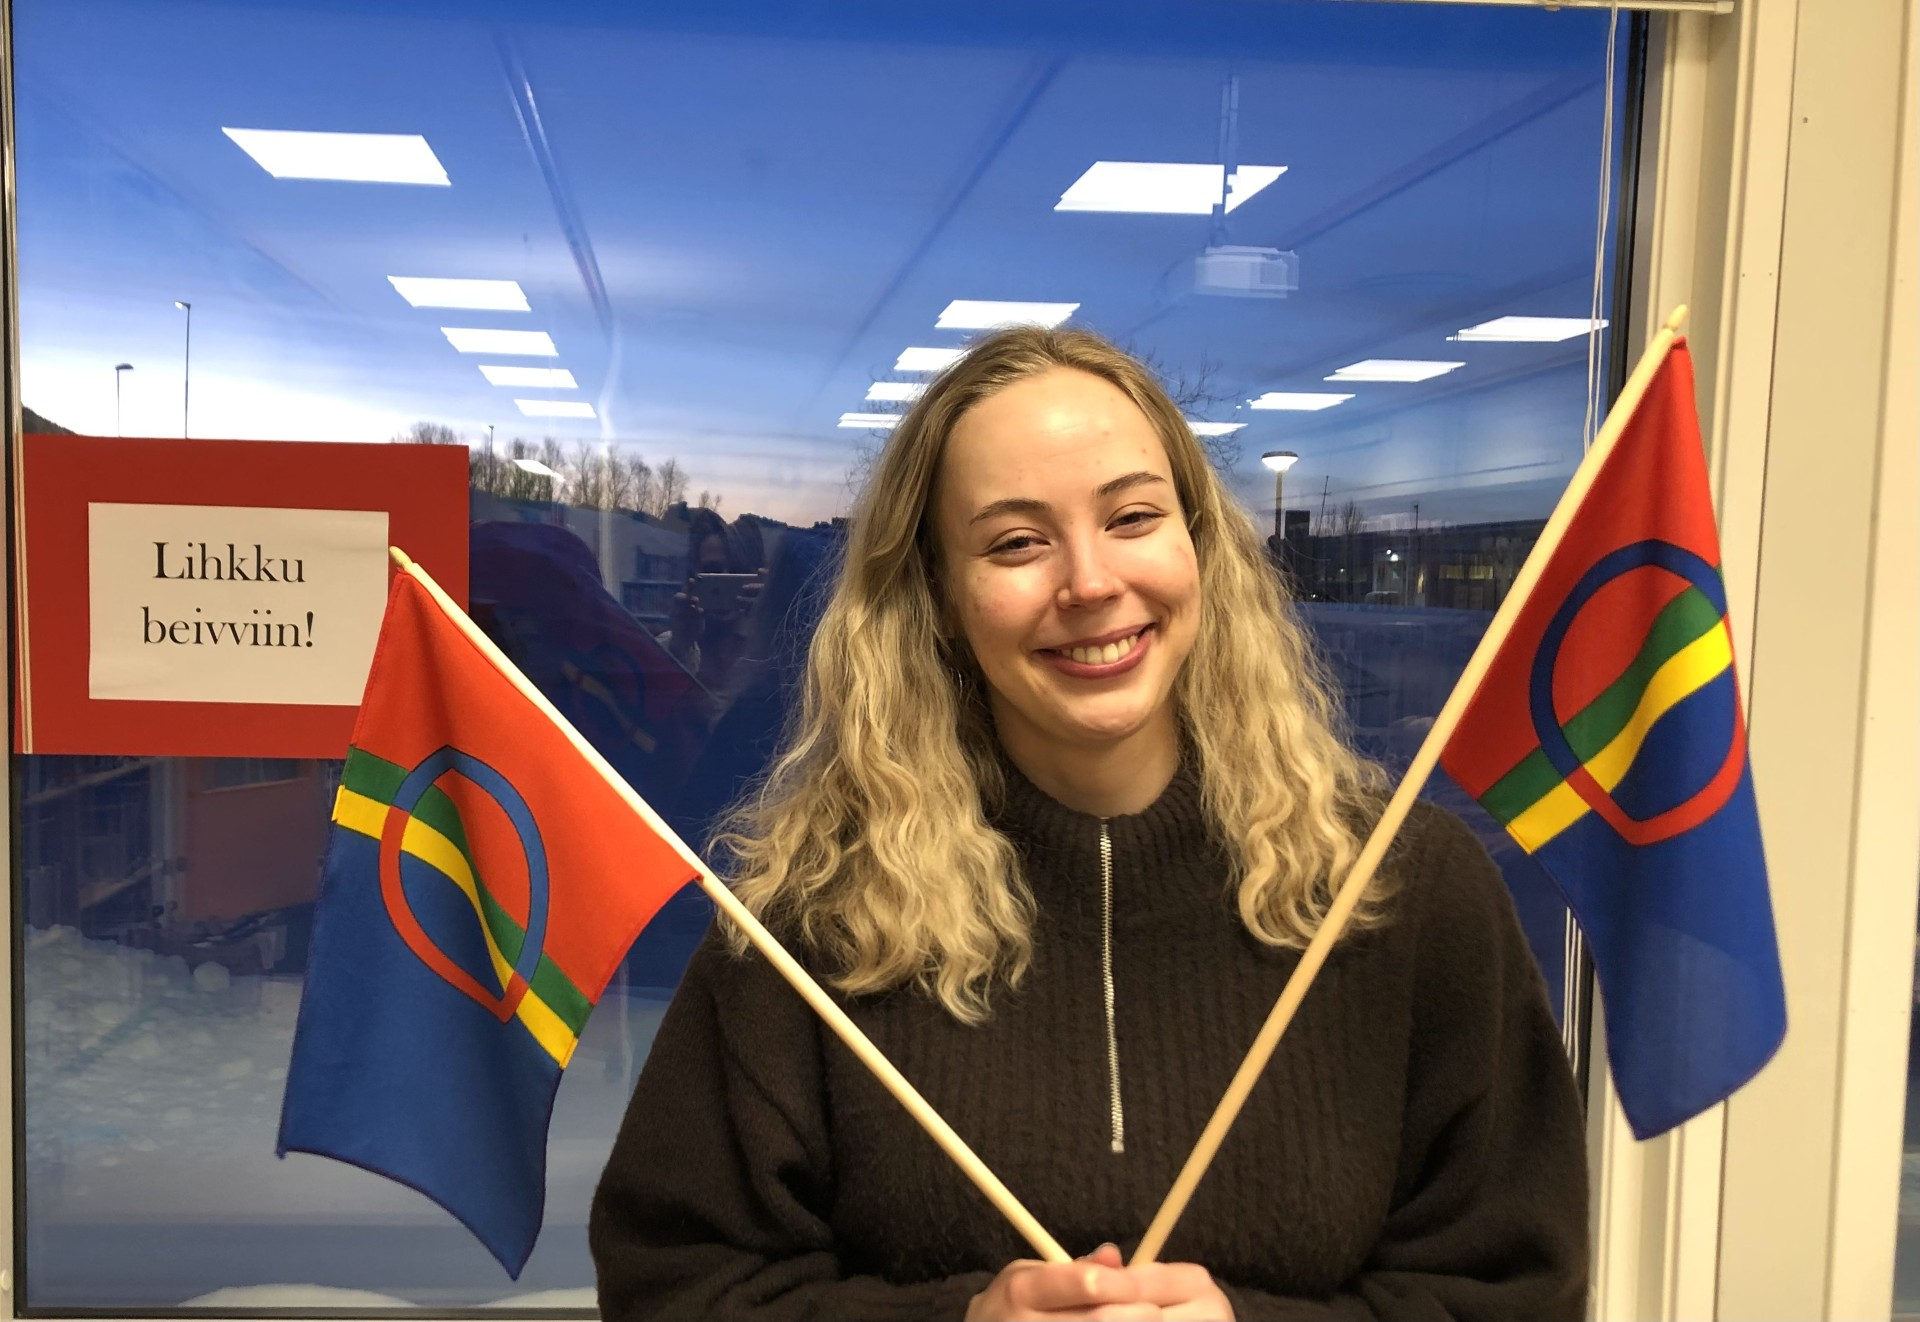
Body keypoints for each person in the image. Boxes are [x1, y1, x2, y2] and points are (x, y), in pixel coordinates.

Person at [589, 327, 1588, 1320]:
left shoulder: (1407, 890)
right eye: (1016, 542)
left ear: (1200, 545)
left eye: (1133, 516)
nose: (1092, 582)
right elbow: (675, 1288)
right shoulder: (808, 924)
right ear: (938, 597)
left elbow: (1518, 1292)